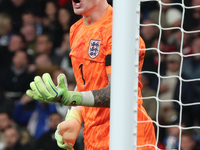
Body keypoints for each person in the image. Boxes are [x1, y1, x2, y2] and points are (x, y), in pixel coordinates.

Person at [26, 0, 156, 150]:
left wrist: (70, 99)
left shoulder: (119, 31)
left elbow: (118, 94)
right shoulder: (76, 29)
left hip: (129, 135)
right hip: (92, 137)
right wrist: (74, 117)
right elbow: (84, 84)